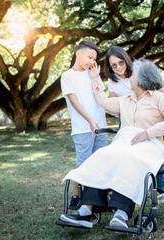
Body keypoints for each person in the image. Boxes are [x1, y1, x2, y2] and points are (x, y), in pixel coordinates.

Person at [59, 58, 164, 229]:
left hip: (151, 144)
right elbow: (103, 102)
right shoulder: (126, 99)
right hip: (125, 142)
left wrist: (147, 133)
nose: (129, 78)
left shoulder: (158, 98)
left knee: (129, 158)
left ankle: (121, 213)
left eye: (133, 75)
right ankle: (86, 212)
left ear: (142, 79)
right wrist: (95, 78)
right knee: (103, 155)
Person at [105, 46, 164, 196]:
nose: (118, 67)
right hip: (128, 120)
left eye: (120, 63)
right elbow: (113, 104)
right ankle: (123, 186)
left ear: (126, 60)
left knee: (153, 147)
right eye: (113, 65)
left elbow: (158, 88)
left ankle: (158, 188)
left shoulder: (138, 71)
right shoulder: (113, 81)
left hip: (149, 117)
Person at [60, 40, 108, 210]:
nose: (91, 62)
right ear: (78, 53)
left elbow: (101, 96)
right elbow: (74, 102)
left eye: (94, 59)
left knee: (100, 163)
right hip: (83, 129)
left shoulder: (92, 74)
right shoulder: (67, 76)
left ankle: (98, 200)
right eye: (89, 57)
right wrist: (89, 120)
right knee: (83, 165)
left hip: (101, 127)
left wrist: (95, 76)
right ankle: (76, 196)